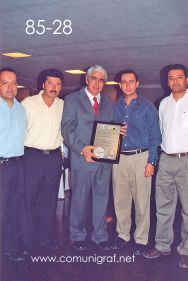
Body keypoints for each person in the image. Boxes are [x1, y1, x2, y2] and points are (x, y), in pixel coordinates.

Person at [61, 65, 114, 251]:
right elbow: (67, 129)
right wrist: (81, 149)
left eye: (101, 80)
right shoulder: (72, 99)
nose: (97, 83)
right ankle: (77, 235)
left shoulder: (109, 102)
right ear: (87, 79)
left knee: (102, 199)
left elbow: (111, 129)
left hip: (104, 161)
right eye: (94, 79)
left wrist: (119, 131)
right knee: (79, 200)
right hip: (82, 159)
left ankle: (100, 235)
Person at [112, 69, 161, 255]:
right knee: (120, 199)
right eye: (123, 82)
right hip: (120, 159)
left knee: (142, 201)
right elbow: (108, 132)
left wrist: (152, 161)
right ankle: (122, 235)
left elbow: (155, 137)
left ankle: (141, 239)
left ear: (137, 84)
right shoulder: (115, 107)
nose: (127, 85)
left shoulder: (147, 107)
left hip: (142, 157)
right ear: (120, 85)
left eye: (131, 81)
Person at [143, 64, 188, 269]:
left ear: (186, 80)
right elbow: (159, 132)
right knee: (163, 207)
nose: (175, 81)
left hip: (187, 160)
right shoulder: (163, 104)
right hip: (166, 160)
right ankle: (162, 245)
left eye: (179, 77)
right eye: (171, 78)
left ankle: (186, 250)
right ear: (167, 81)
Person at [22, 69, 64, 251]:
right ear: (43, 85)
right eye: (50, 83)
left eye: (58, 84)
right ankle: (27, 241)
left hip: (54, 159)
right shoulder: (28, 103)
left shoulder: (63, 105)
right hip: (31, 157)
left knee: (49, 202)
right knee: (28, 201)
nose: (54, 88)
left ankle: (46, 238)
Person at [0, 67, 27, 261]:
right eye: (4, 83)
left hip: (18, 165)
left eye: (13, 82)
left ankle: (11, 246)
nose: (10, 87)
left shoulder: (20, 108)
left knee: (16, 208)